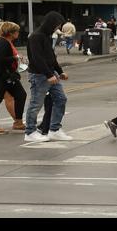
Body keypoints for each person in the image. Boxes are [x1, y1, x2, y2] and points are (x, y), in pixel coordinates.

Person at [24, 14, 72, 143]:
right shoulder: (36, 37)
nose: (58, 28)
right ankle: (30, 131)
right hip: (39, 75)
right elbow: (37, 58)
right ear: (50, 23)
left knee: (61, 99)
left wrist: (59, 71)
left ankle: (54, 129)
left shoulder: (46, 35)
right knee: (36, 103)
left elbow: (51, 56)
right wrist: (49, 74)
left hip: (50, 73)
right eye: (57, 25)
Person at [0, 21, 27, 135]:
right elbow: (0, 60)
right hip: (1, 75)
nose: (18, 33)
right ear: (11, 33)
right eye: (17, 31)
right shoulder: (3, 43)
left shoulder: (5, 41)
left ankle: (18, 121)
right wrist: (15, 57)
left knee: (20, 94)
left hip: (7, 75)